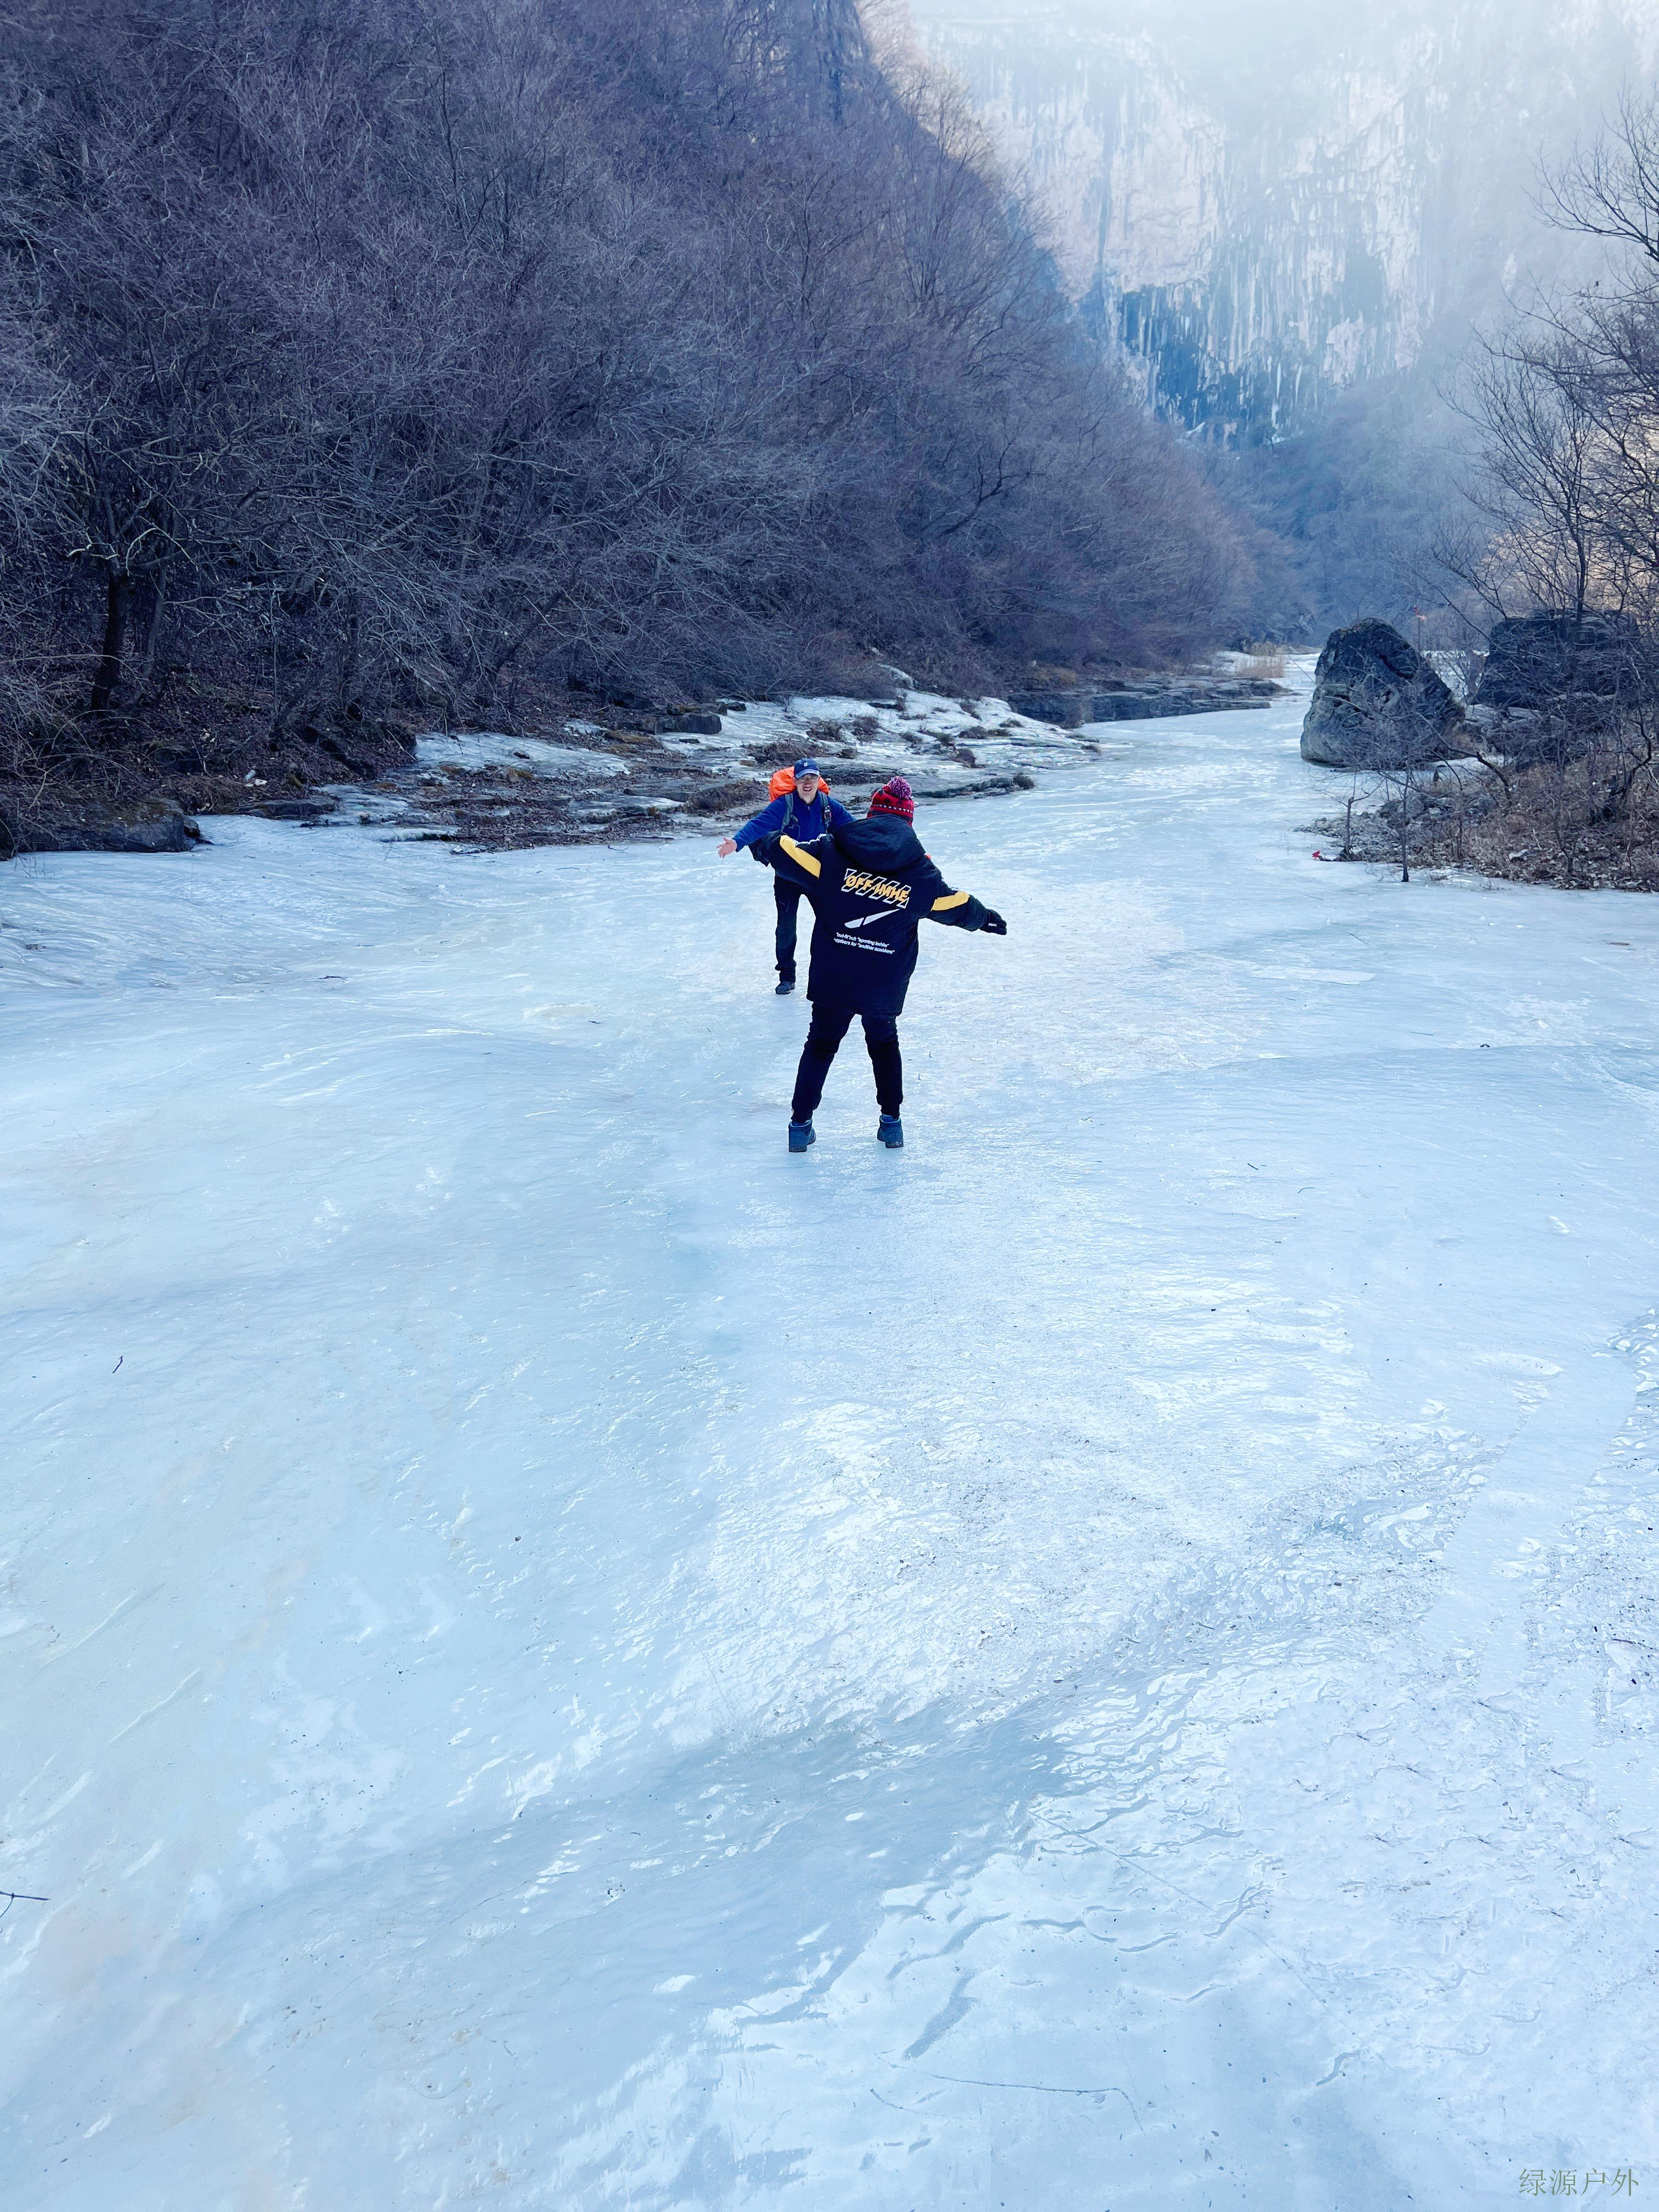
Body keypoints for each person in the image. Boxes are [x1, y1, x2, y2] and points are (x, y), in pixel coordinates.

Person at [761, 775, 1005, 1152]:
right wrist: (985, 918)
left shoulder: (831, 853)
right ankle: (891, 1125)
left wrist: (762, 838)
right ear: (908, 821)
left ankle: (800, 1126)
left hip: (835, 974)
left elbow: (783, 852)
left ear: (872, 814)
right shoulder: (920, 874)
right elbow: (953, 905)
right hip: (884, 979)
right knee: (884, 1043)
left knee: (821, 1045)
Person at [718, 757, 852, 994]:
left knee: (829, 925)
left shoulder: (829, 806)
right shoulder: (785, 805)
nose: (807, 783)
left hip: (817, 876)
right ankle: (787, 976)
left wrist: (878, 846)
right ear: (795, 781)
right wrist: (737, 843)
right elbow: (759, 824)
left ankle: (827, 974)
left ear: (818, 780)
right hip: (787, 877)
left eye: (812, 778)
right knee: (786, 929)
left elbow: (853, 831)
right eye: (802, 778)